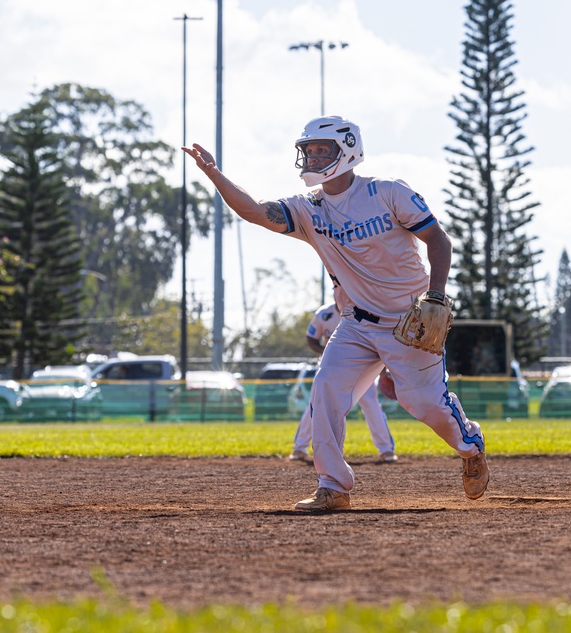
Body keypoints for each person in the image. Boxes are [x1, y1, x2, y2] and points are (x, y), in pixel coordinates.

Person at [183, 115, 488, 512]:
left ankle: (470, 446)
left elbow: (438, 240)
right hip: (357, 322)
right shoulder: (309, 208)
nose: (311, 157)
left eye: (320, 149)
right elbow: (257, 212)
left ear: (347, 149)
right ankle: (333, 486)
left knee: (423, 404)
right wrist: (215, 174)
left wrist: (436, 296)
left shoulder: (388, 192)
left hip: (410, 322)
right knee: (326, 389)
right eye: (307, 150)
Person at [290, 286, 398, 464]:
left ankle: (386, 449)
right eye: (337, 288)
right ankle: (299, 448)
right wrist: (326, 352)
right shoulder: (324, 314)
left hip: (362, 368)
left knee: (370, 404)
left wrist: (384, 370)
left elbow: (377, 342)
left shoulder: (363, 312)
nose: (341, 292)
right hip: (330, 368)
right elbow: (311, 338)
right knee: (317, 404)